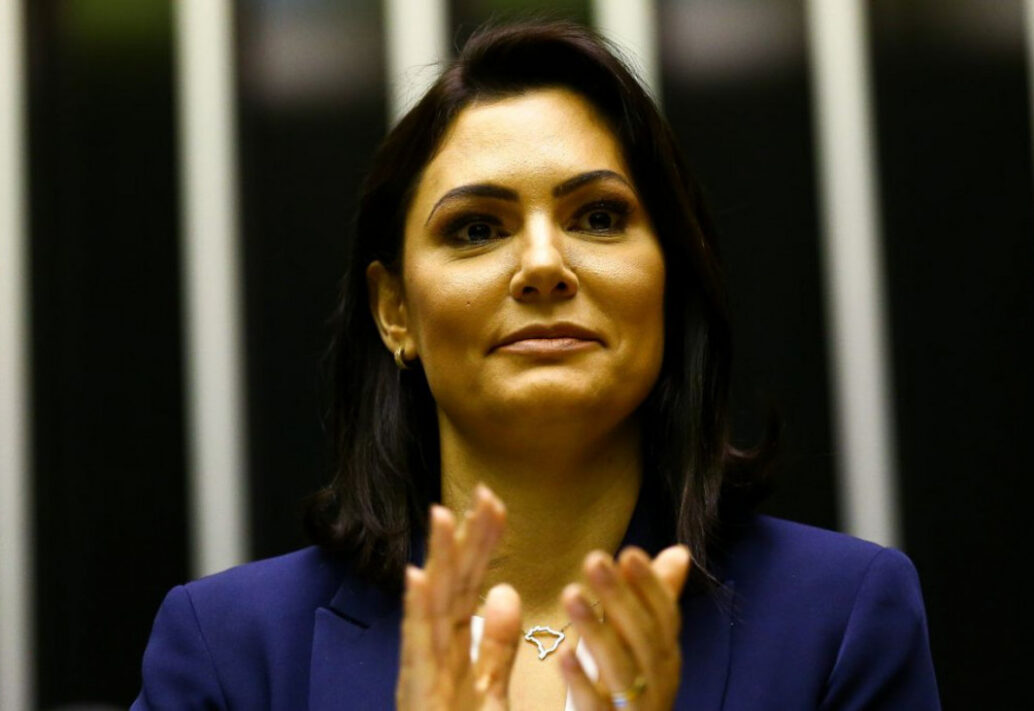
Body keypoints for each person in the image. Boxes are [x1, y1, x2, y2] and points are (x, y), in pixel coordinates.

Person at [133, 20, 940, 711]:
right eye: (477, 229)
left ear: (670, 280)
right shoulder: (228, 649)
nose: (544, 265)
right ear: (395, 311)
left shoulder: (842, 616)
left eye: (599, 216)